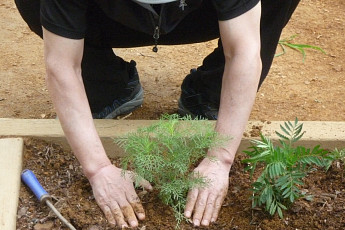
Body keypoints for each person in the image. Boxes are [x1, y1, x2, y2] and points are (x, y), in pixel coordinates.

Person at [15, 0, 299, 228]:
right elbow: (62, 65)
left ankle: (207, 96)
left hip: (197, 15)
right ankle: (108, 86)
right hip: (108, 16)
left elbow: (244, 52)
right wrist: (98, 169)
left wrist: (220, 158)